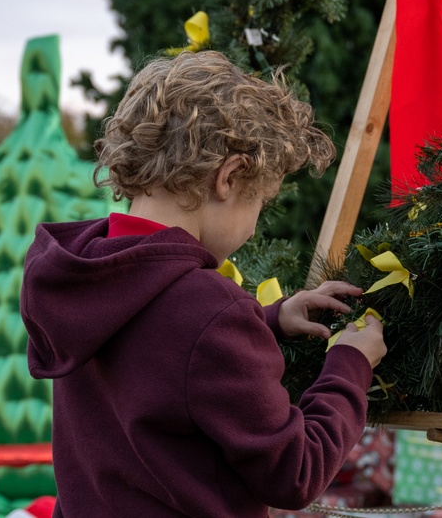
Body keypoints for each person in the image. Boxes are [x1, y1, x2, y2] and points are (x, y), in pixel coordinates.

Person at [20, 51, 387, 517]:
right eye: (262, 204)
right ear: (230, 177)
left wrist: (269, 319)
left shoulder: (83, 275)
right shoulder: (209, 311)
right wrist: (350, 365)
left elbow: (156, 351)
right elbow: (296, 472)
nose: (255, 227)